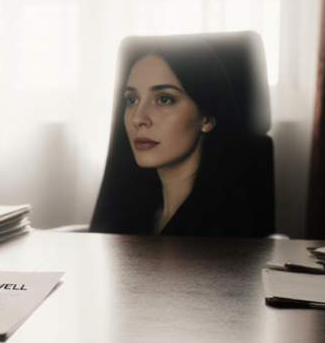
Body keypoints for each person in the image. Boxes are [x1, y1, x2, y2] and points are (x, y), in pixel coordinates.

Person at [89, 36, 258, 237]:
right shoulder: (131, 216)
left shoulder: (226, 235)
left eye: (164, 99)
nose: (138, 118)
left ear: (207, 119)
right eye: (132, 99)